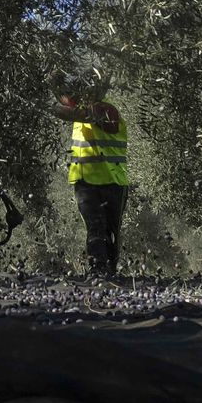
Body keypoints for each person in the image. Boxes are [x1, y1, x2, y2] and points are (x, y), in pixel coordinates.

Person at [55, 82, 129, 276]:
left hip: (113, 183)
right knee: (95, 227)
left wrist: (47, 105)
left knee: (111, 232)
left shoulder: (107, 109)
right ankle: (98, 269)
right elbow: (65, 100)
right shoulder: (82, 108)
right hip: (85, 182)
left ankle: (109, 270)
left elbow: (74, 113)